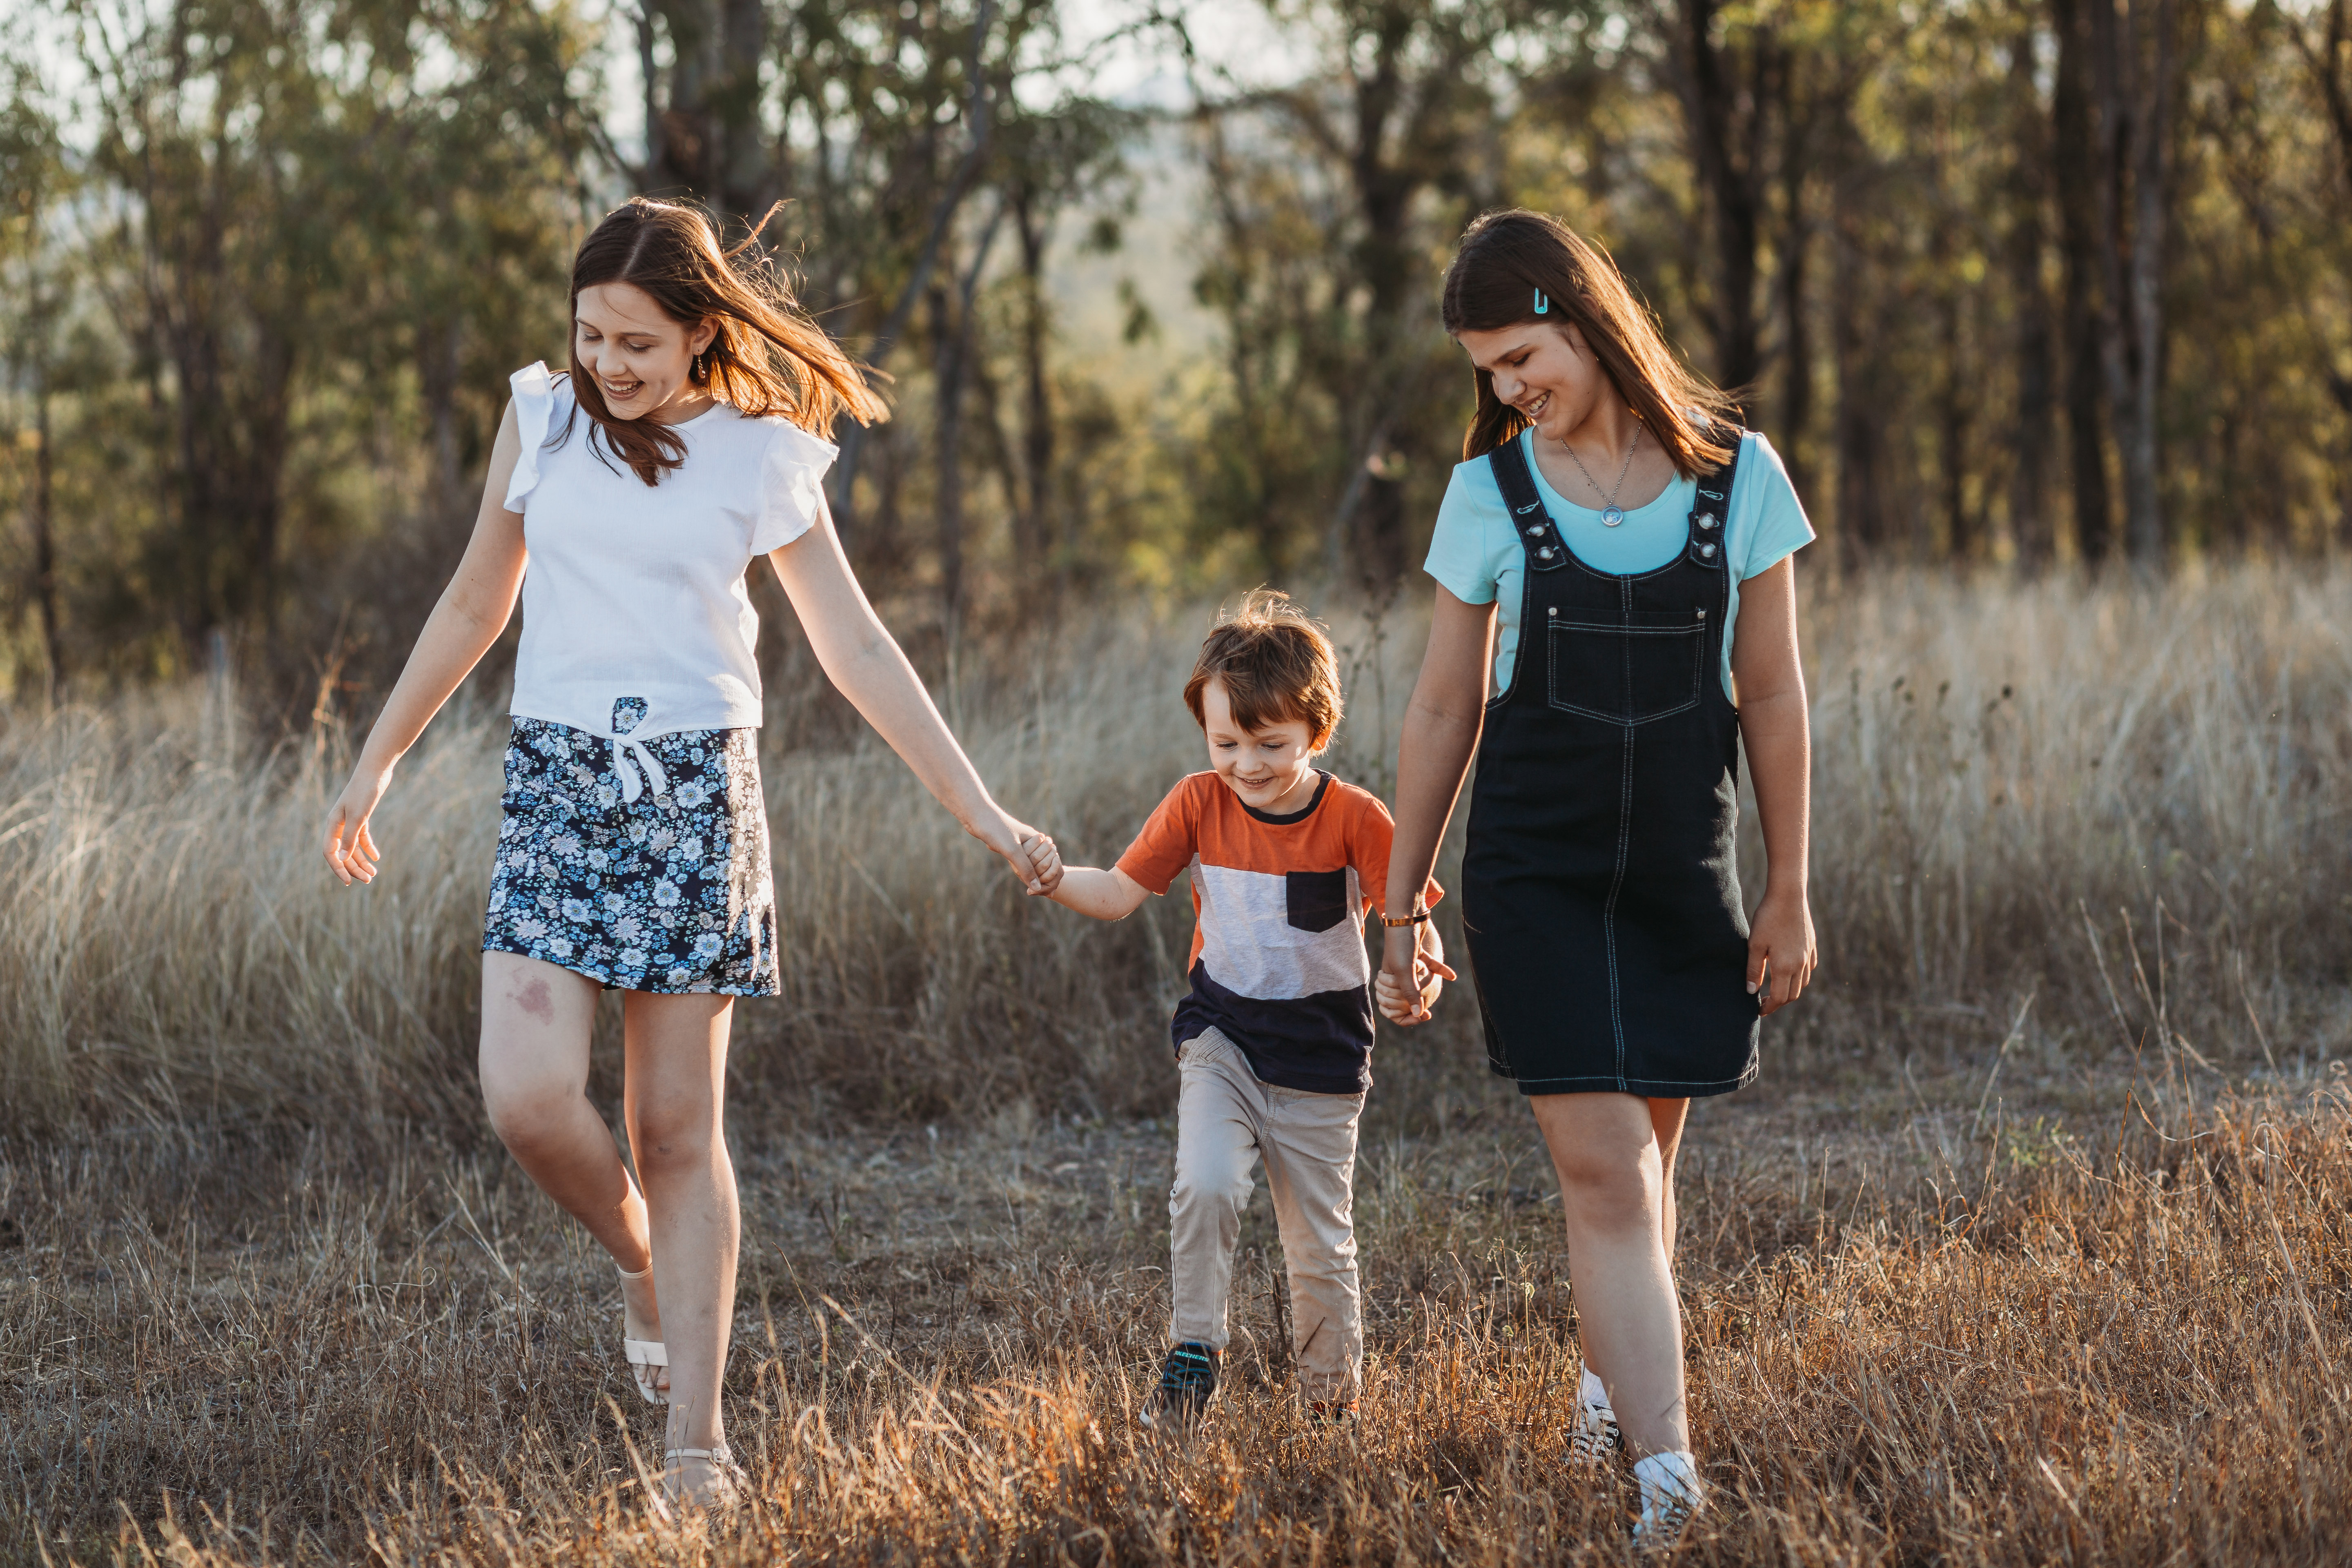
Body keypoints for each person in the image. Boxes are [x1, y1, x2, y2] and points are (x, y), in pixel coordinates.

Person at [320, 197, 1055, 1509]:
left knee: (674, 1128)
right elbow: (476, 598)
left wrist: (984, 814)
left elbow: (856, 646)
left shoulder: (761, 454)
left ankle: (698, 1450)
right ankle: (642, 1262)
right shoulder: (539, 418)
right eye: (591, 334)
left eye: (638, 342)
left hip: (695, 800)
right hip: (558, 788)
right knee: (526, 1097)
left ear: (702, 331)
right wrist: (377, 758)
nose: (607, 363)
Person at [1378, 209, 1818, 1548]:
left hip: (1683, 879)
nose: (1509, 391)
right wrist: (1399, 903)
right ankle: (1670, 1486)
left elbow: (1774, 696)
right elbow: (1444, 708)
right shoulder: (1487, 495)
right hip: (1536, 879)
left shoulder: (1740, 477)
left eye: (1520, 359)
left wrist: (1789, 885)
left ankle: (1601, 1399)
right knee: (1613, 1180)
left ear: (1580, 314)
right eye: (1489, 374)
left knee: (1647, 1176)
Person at [1020, 592, 1446, 1430]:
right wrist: (1055, 877)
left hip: (1323, 1058)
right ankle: (1195, 1350)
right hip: (1224, 1036)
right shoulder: (1196, 804)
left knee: (1319, 1244)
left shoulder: (1357, 818)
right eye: (1226, 744)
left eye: (1270, 744)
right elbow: (1117, 893)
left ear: (1317, 731)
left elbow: (1415, 929)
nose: (1246, 764)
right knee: (1206, 1184)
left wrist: (1417, 982)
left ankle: (1332, 1408)